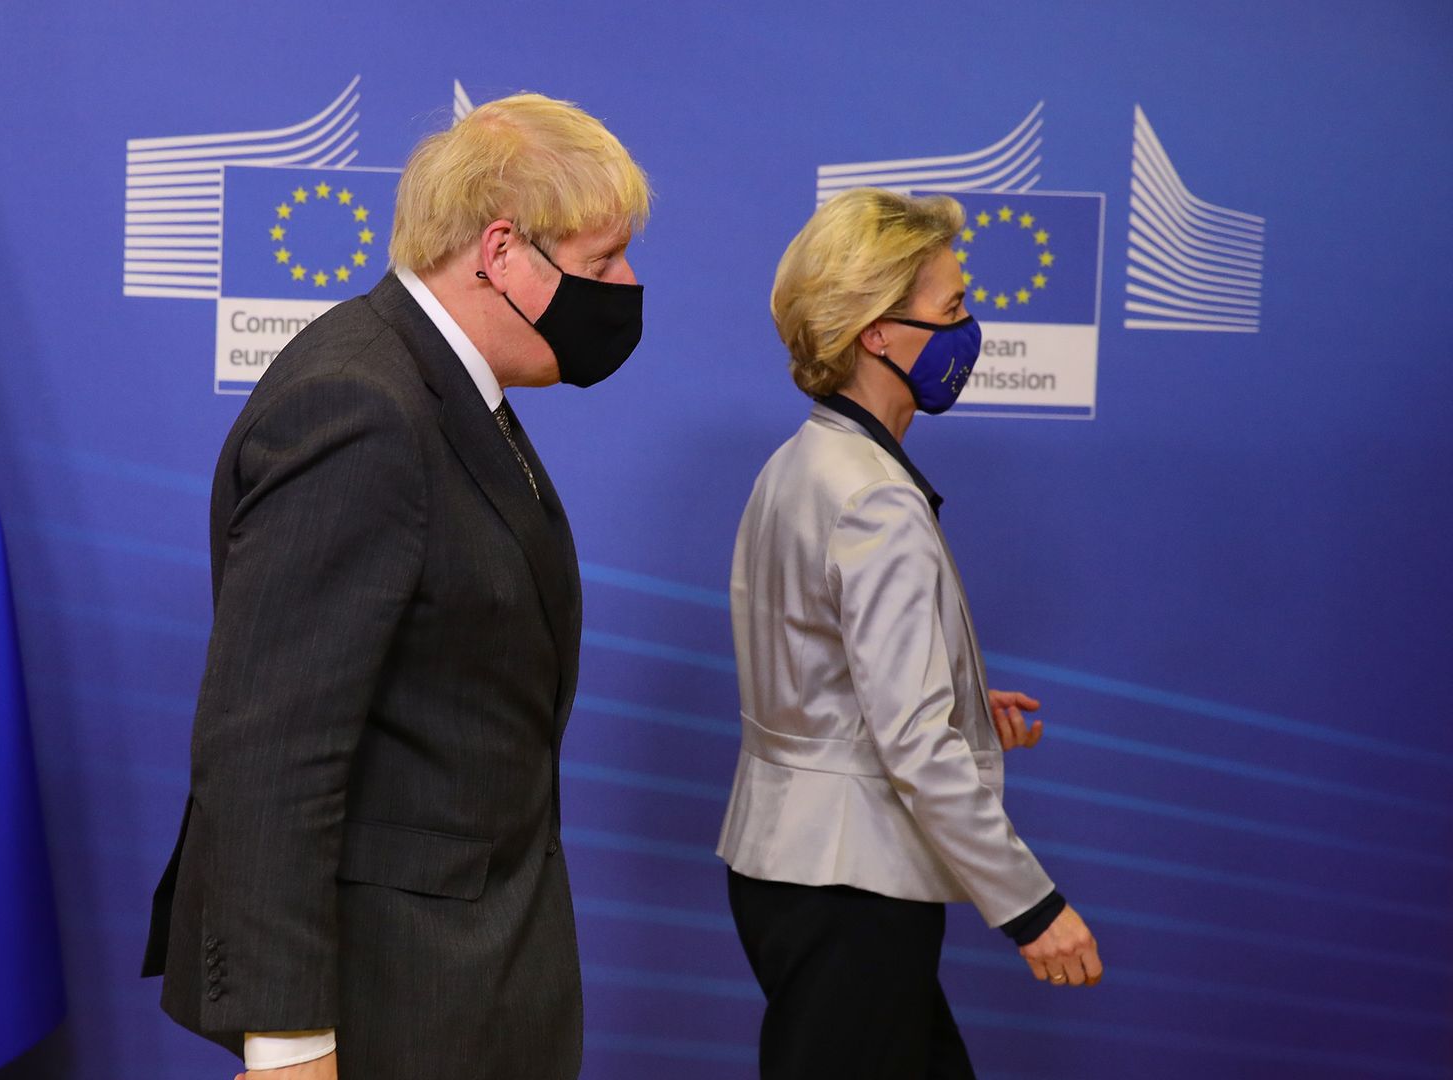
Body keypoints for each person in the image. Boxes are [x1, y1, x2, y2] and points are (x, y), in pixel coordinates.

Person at [141, 93, 649, 1080]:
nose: (627, 287)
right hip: (392, 1007)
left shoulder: (448, 390)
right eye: (602, 264)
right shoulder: (362, 406)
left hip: (471, 983)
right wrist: (287, 1044)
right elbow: (270, 751)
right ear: (501, 253)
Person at [718, 188, 1104, 1079]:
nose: (974, 329)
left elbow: (815, 667)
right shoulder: (876, 499)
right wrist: (1033, 909)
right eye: (954, 308)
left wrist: (966, 699)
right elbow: (914, 747)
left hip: (792, 867)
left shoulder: (801, 461)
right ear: (877, 334)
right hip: (851, 885)